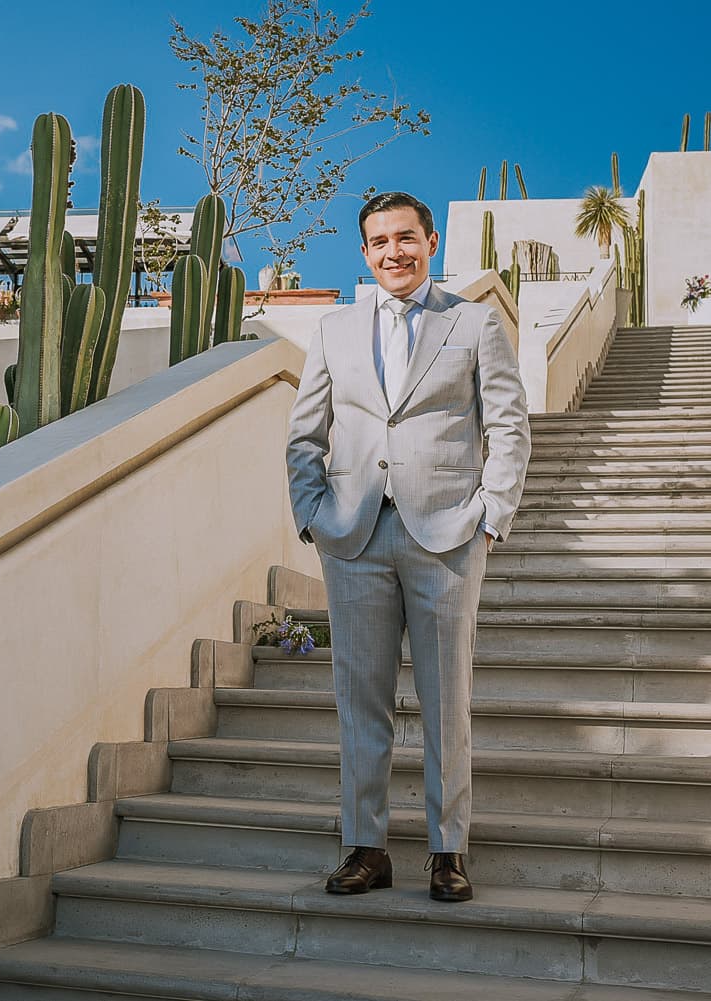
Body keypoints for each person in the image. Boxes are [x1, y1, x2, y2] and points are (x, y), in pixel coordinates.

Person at [285, 191, 530, 903]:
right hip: (353, 534)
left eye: (404, 238)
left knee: (444, 700)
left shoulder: (475, 322)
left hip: (447, 535)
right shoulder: (332, 329)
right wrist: (311, 515)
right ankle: (365, 846)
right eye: (378, 241)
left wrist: (491, 514)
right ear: (363, 253)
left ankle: (446, 850)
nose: (392, 251)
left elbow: (508, 426)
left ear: (430, 241)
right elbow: (306, 433)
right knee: (358, 699)